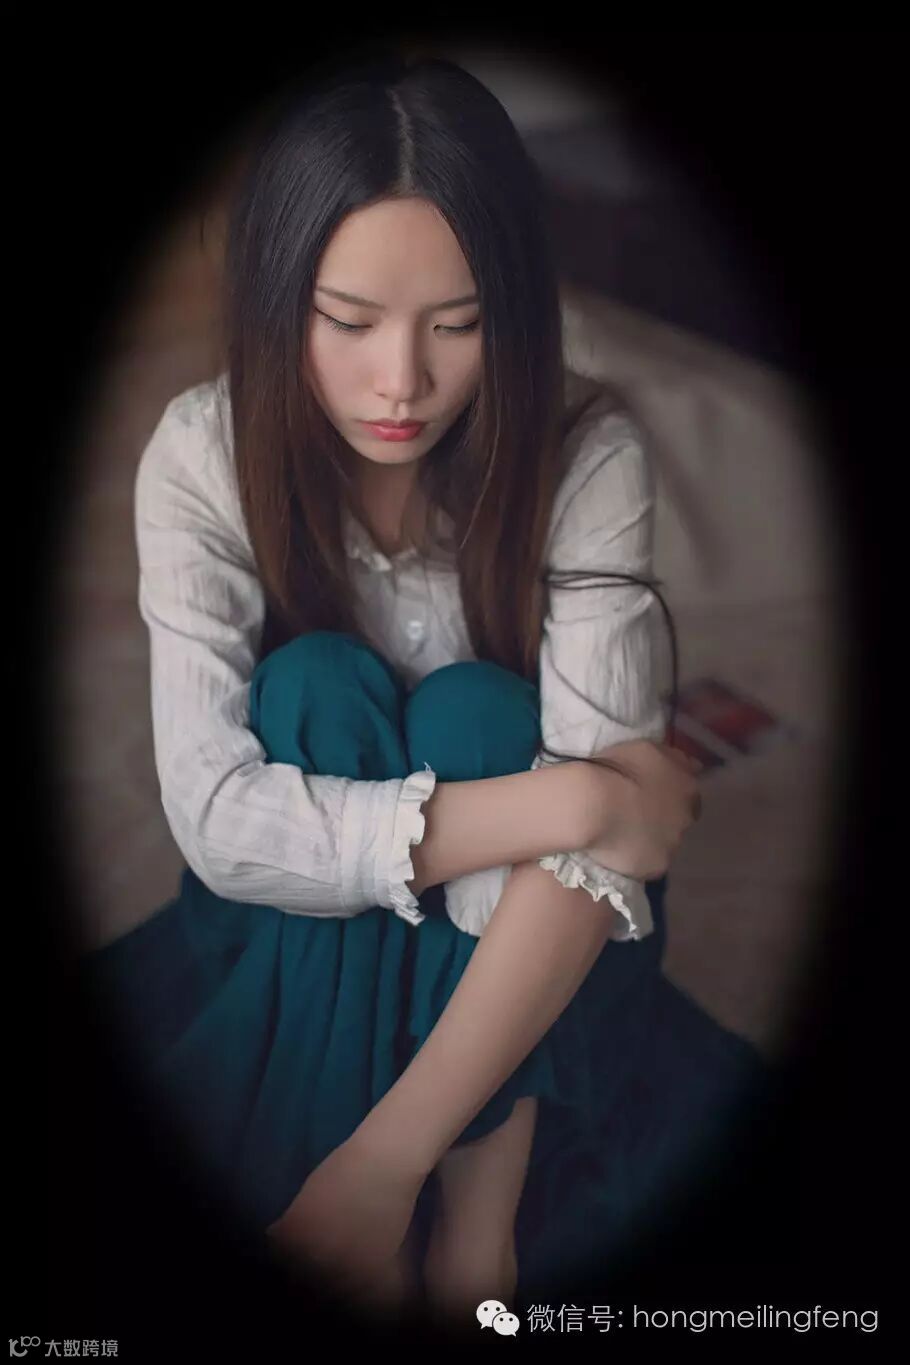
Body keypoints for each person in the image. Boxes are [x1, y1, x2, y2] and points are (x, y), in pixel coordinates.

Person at [83, 46, 770, 1326]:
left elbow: (602, 870)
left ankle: (460, 1218)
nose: (400, 382)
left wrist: (394, 1164)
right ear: (274, 299)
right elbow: (219, 821)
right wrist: (575, 801)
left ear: (513, 310)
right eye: (347, 323)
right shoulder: (199, 454)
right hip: (294, 923)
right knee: (312, 691)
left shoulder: (585, 451)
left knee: (477, 714)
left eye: (458, 324)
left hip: (534, 947)